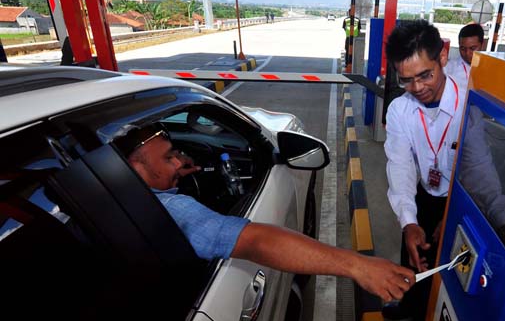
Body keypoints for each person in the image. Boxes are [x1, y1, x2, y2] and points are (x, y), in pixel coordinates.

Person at [115, 124, 415, 303]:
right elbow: (255, 241)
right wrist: (359, 266)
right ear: (133, 168)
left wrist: (174, 174)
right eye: (169, 158)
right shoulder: (172, 210)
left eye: (177, 154)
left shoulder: (119, 200)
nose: (179, 162)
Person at [383, 20, 505, 321]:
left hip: (459, 200)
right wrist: (408, 221)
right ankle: (408, 304)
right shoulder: (400, 110)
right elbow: (400, 164)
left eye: (425, 75)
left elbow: (480, 168)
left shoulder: (469, 103)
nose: (418, 88)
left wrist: (498, 219)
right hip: (423, 194)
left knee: (442, 271)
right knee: (411, 255)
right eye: (406, 80)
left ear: (442, 56)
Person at [444, 23, 484, 89]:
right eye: (463, 49)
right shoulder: (449, 68)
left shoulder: (491, 68)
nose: (467, 53)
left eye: (472, 48)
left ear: (482, 45)